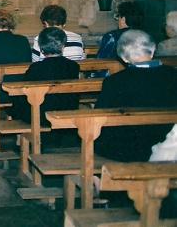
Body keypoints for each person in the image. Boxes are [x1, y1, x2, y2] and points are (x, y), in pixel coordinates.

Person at [94, 30, 177, 162]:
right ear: (152, 50)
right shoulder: (173, 75)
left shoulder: (114, 81)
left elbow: (100, 115)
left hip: (126, 148)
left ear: (123, 57)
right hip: (168, 143)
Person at [12, 27, 80, 125]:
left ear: (41, 49)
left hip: (40, 115)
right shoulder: (73, 66)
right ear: (63, 46)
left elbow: (24, 92)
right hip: (66, 110)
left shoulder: (36, 68)